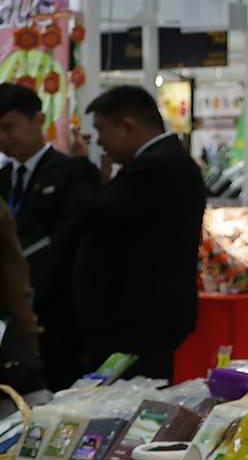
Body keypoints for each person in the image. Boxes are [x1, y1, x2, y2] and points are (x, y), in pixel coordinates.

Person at [72, 84, 209, 380]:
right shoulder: (167, 161)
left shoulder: (155, 166)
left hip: (139, 318)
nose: (100, 142)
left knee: (127, 397)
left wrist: (81, 166)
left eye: (102, 130)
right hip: (146, 315)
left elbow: (98, 211)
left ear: (127, 127)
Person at [0, 83, 100, 387]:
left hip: (58, 315)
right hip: (10, 317)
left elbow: (69, 241)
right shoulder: (3, 179)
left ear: (39, 120)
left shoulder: (71, 173)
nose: (3, 138)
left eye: (9, 127)